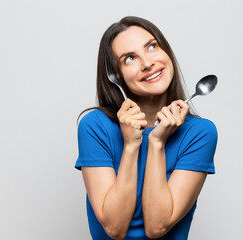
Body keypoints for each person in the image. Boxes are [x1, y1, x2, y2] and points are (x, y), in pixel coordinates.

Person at [75, 16, 218, 240]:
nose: (147, 63)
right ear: (116, 76)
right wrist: (131, 145)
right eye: (130, 58)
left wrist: (157, 142)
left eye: (152, 46)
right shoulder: (95, 126)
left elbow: (157, 227)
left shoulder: (200, 133)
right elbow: (114, 228)